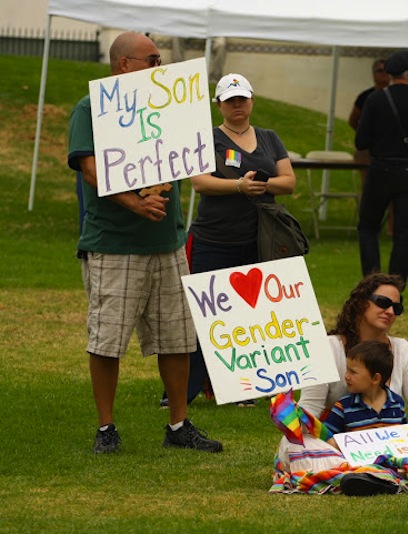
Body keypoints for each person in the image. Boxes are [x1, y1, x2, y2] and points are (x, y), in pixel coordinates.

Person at [67, 31, 222, 454]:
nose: (160, 67)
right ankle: (106, 429)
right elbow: (92, 170)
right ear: (123, 65)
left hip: (167, 244)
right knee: (107, 340)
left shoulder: (167, 103)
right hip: (114, 244)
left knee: (177, 337)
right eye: (152, 59)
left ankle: (178, 425)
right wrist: (136, 203)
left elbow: (185, 154)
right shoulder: (91, 109)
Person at [158, 72, 297, 408]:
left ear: (251, 101)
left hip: (259, 240)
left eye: (243, 98)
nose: (238, 104)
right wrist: (239, 186)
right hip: (213, 238)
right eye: (230, 99)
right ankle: (182, 389)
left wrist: (261, 185)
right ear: (218, 104)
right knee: (201, 314)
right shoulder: (207, 137)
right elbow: (200, 183)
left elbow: (289, 182)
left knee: (248, 318)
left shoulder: (269, 137)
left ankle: (242, 388)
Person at [355, 50, 408, 284]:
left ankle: (371, 279)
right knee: (403, 234)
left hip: (380, 171)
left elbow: (361, 141)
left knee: (368, 226)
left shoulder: (375, 99)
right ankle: (395, 284)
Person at [298, 272, 408, 420]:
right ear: (361, 302)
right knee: (295, 443)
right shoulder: (327, 348)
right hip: (331, 438)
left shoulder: (403, 351)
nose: (390, 311)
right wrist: (284, 411)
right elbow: (310, 410)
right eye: (382, 302)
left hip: (387, 439)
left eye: (396, 307)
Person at [322, 340, 407, 438]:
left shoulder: (397, 404)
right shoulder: (344, 407)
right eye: (347, 370)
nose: (346, 376)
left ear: (375, 379)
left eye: (353, 372)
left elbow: (404, 437)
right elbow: (326, 439)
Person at [348, 59, 390, 131]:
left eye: (387, 70)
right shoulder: (364, 97)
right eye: (380, 71)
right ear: (373, 74)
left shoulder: (398, 94)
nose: (384, 73)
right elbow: (353, 120)